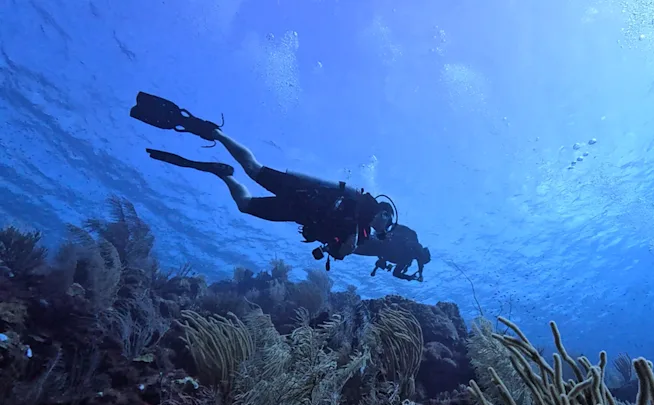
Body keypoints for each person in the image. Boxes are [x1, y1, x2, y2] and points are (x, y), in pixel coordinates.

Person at [129, 92, 396, 266]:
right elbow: (329, 185)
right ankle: (215, 133)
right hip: (300, 191)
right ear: (383, 213)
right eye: (388, 219)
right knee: (252, 168)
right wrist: (296, 177)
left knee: (244, 205)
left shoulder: (361, 235)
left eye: (387, 225)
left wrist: (343, 250)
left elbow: (331, 250)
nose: (385, 225)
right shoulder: (364, 202)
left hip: (294, 212)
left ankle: (221, 173)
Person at [352, 223, 431, 282]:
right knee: (352, 240)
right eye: (421, 259)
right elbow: (412, 245)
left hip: (376, 250)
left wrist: (409, 277)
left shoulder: (406, 260)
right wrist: (420, 273)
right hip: (379, 243)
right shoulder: (414, 243)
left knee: (350, 246)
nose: (419, 259)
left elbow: (396, 273)